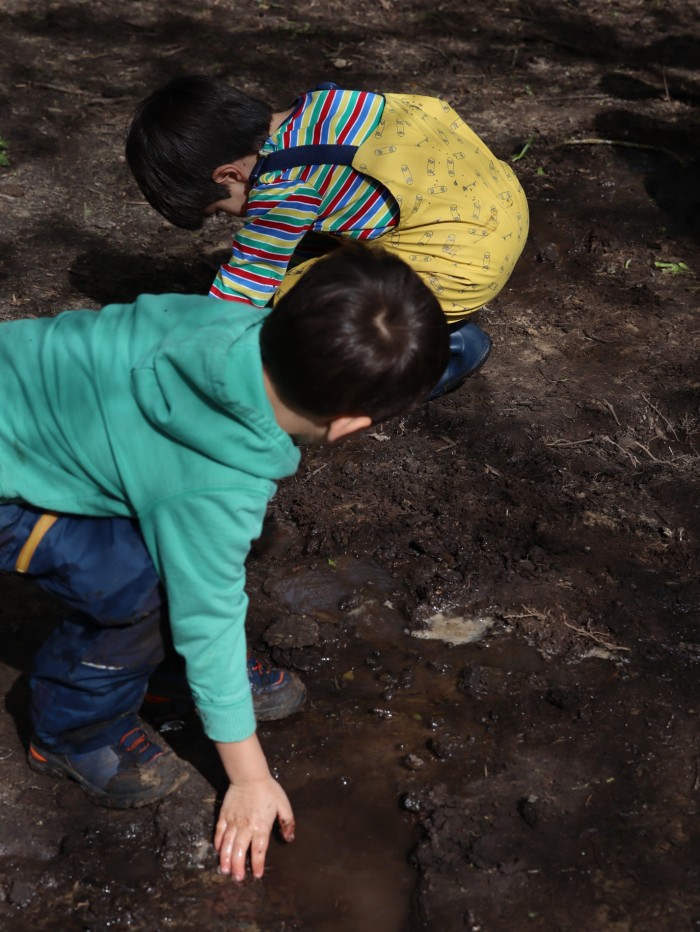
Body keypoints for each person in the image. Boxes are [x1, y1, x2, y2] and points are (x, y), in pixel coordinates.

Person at [0, 245, 448, 881]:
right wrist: (250, 777)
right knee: (143, 586)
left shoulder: (222, 321)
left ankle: (157, 670)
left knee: (208, 547)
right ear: (349, 426)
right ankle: (72, 729)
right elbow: (207, 613)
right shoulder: (213, 486)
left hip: (38, 402)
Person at [126, 77, 529, 399]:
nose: (233, 217)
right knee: (301, 256)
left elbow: (251, 275)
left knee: (302, 317)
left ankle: (432, 353)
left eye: (220, 209)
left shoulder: (283, 186)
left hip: (464, 257)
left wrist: (192, 351)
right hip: (496, 201)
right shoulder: (321, 106)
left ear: (229, 175)